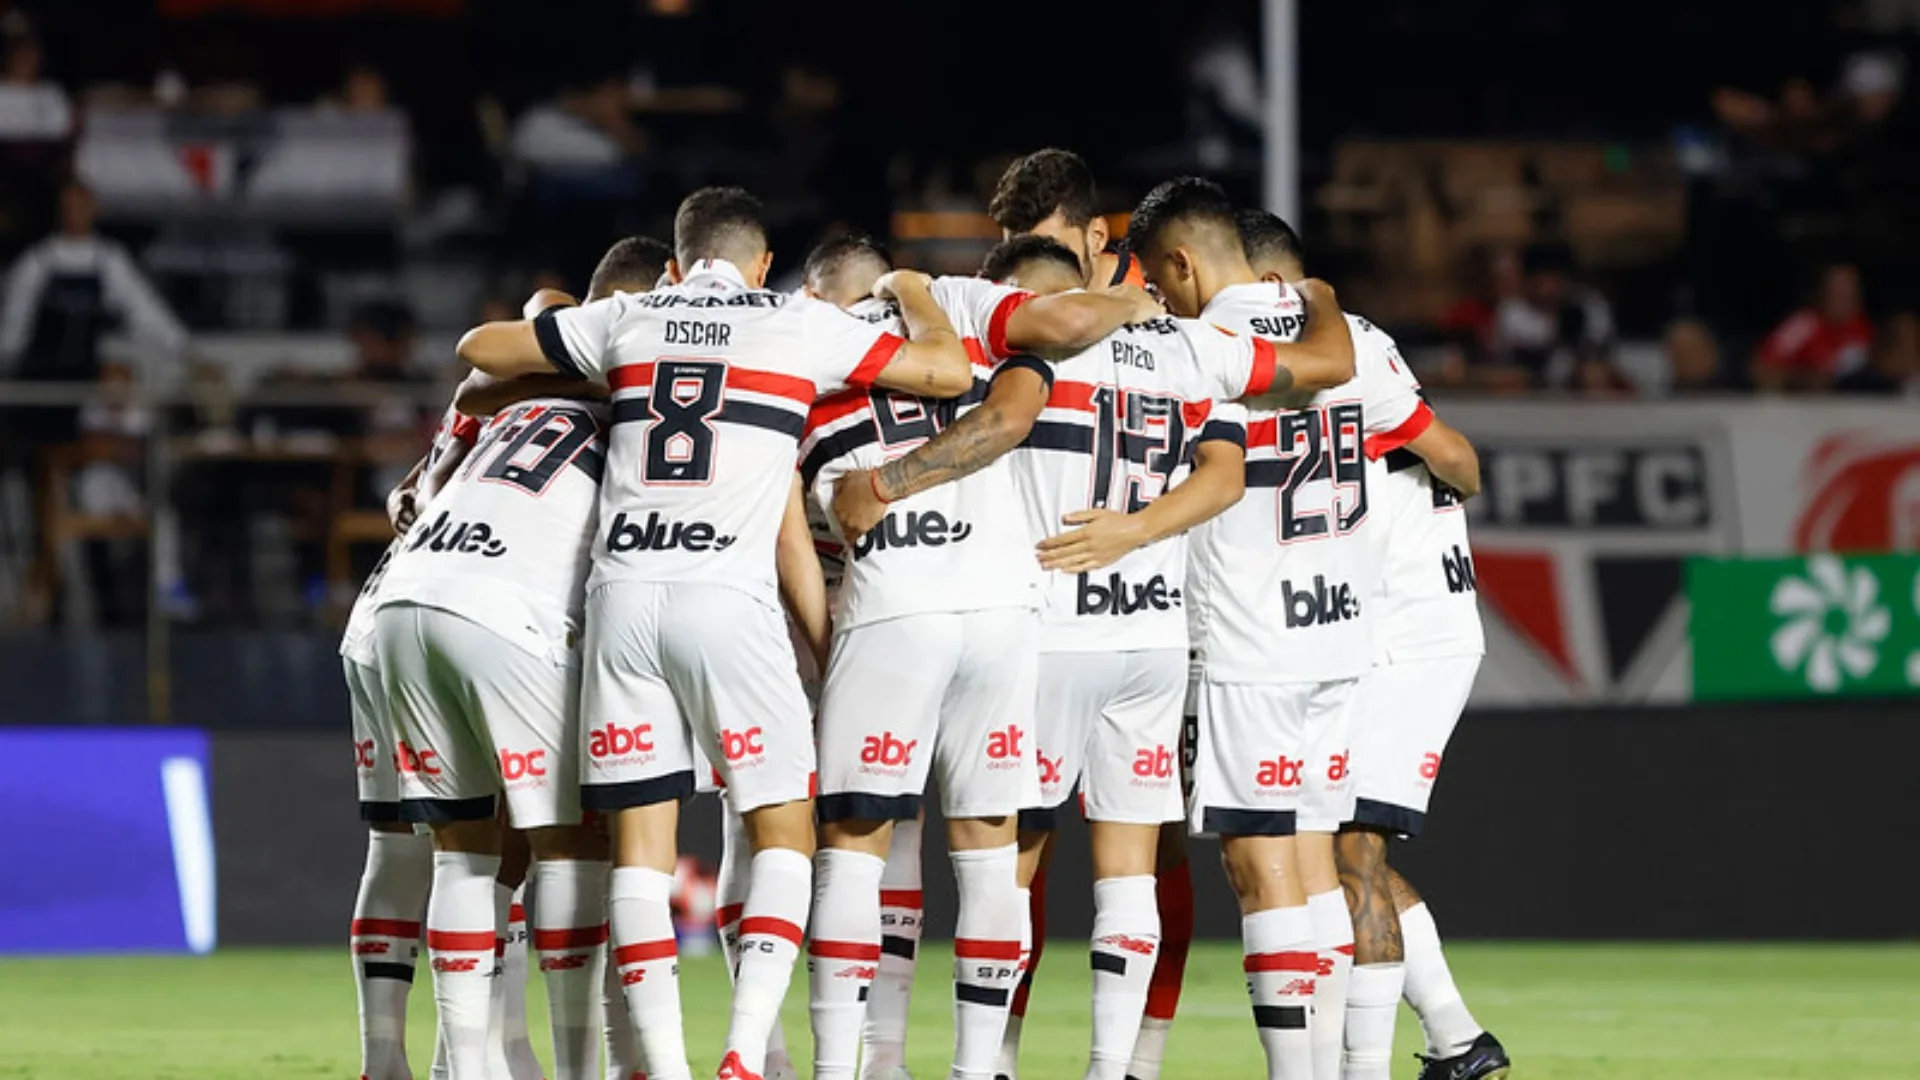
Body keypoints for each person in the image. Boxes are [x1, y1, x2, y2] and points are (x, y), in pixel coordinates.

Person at [456, 186, 976, 1080]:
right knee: (784, 829)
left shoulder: (629, 315)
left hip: (625, 596)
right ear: (764, 265)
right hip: (727, 599)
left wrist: (603, 353)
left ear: (674, 260)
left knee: (641, 851)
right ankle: (742, 1054)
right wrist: (920, 291)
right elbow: (948, 373)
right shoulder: (797, 323)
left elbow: (478, 351)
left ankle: (663, 1064)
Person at [830, 232, 1356, 1080]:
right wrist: (1139, 532)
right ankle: (1114, 1069)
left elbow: (999, 417)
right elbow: (1231, 469)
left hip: (1053, 629)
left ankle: (983, 1064)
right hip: (1150, 637)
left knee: (1001, 862)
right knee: (1128, 872)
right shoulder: (1192, 346)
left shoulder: (1040, 343)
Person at [1123, 179, 1408, 1080]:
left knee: (1262, 869)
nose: (1161, 303)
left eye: (1162, 286)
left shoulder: (1199, 345)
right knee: (1316, 862)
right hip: (1341, 636)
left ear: (1181, 262)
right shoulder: (1357, 336)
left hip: (1251, 640)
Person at [1230, 204, 1508, 1080]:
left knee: (1349, 849)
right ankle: (1458, 1039)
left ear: (1270, 283)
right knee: (1342, 844)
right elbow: (1456, 464)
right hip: (1373, 627)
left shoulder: (1336, 354)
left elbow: (1461, 459)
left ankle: (1369, 1068)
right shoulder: (1356, 346)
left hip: (1408, 632)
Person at [988, 148, 1145, 291]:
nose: (1032, 274)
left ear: (1097, 237)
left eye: (1052, 255)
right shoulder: (990, 301)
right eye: (1015, 257)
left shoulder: (1159, 299)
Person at [1753, 263, 1875, 391]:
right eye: (1836, 293)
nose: (1843, 301)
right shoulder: (1801, 325)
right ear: (1821, 293)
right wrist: (1802, 379)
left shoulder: (1866, 329)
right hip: (1806, 405)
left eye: (1849, 294)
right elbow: (1759, 368)